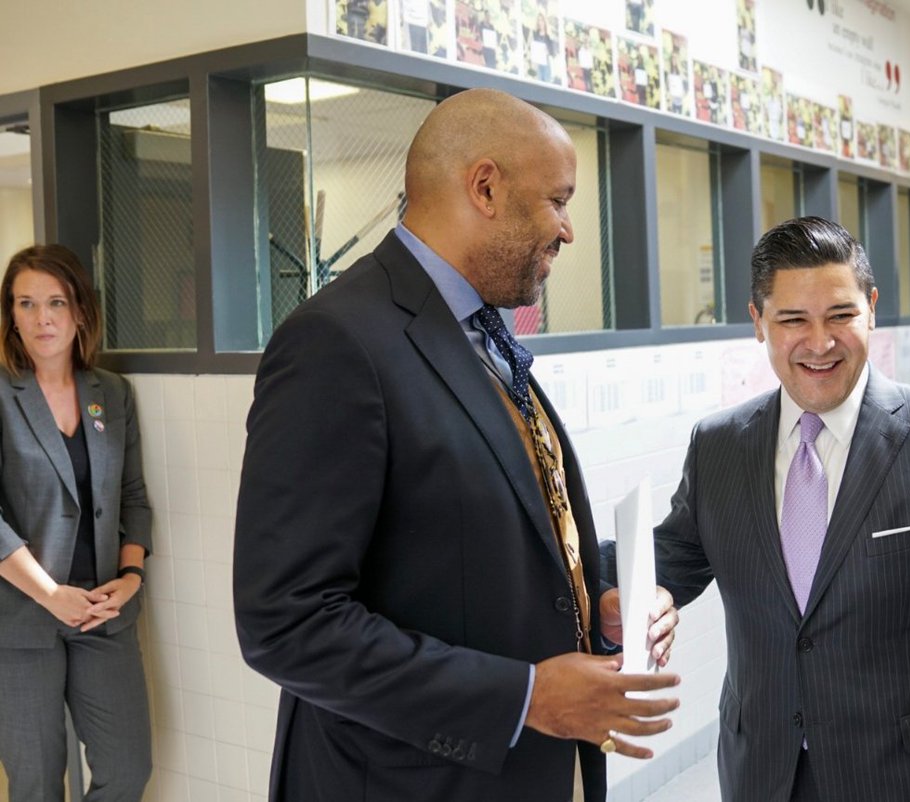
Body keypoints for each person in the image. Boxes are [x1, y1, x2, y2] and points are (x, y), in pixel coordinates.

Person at [233, 88, 680, 802]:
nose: (567, 231)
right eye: (558, 201)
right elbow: (286, 623)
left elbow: (473, 546)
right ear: (486, 187)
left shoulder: (482, 330)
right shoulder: (337, 343)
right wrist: (526, 696)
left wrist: (595, 601)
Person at [653, 217, 910, 801]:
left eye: (840, 315)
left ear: (872, 308)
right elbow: (674, 557)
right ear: (758, 322)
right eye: (792, 320)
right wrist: (632, 592)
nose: (819, 343)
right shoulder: (720, 445)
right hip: (763, 771)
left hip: (906, 778)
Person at [0, 244, 152, 801]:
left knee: (127, 769)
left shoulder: (110, 392)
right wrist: (48, 594)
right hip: (18, 617)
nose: (42, 318)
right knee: (37, 782)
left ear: (80, 311)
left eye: (56, 302)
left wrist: (131, 578)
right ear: (10, 315)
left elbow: (133, 495)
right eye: (26, 303)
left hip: (102, 613)